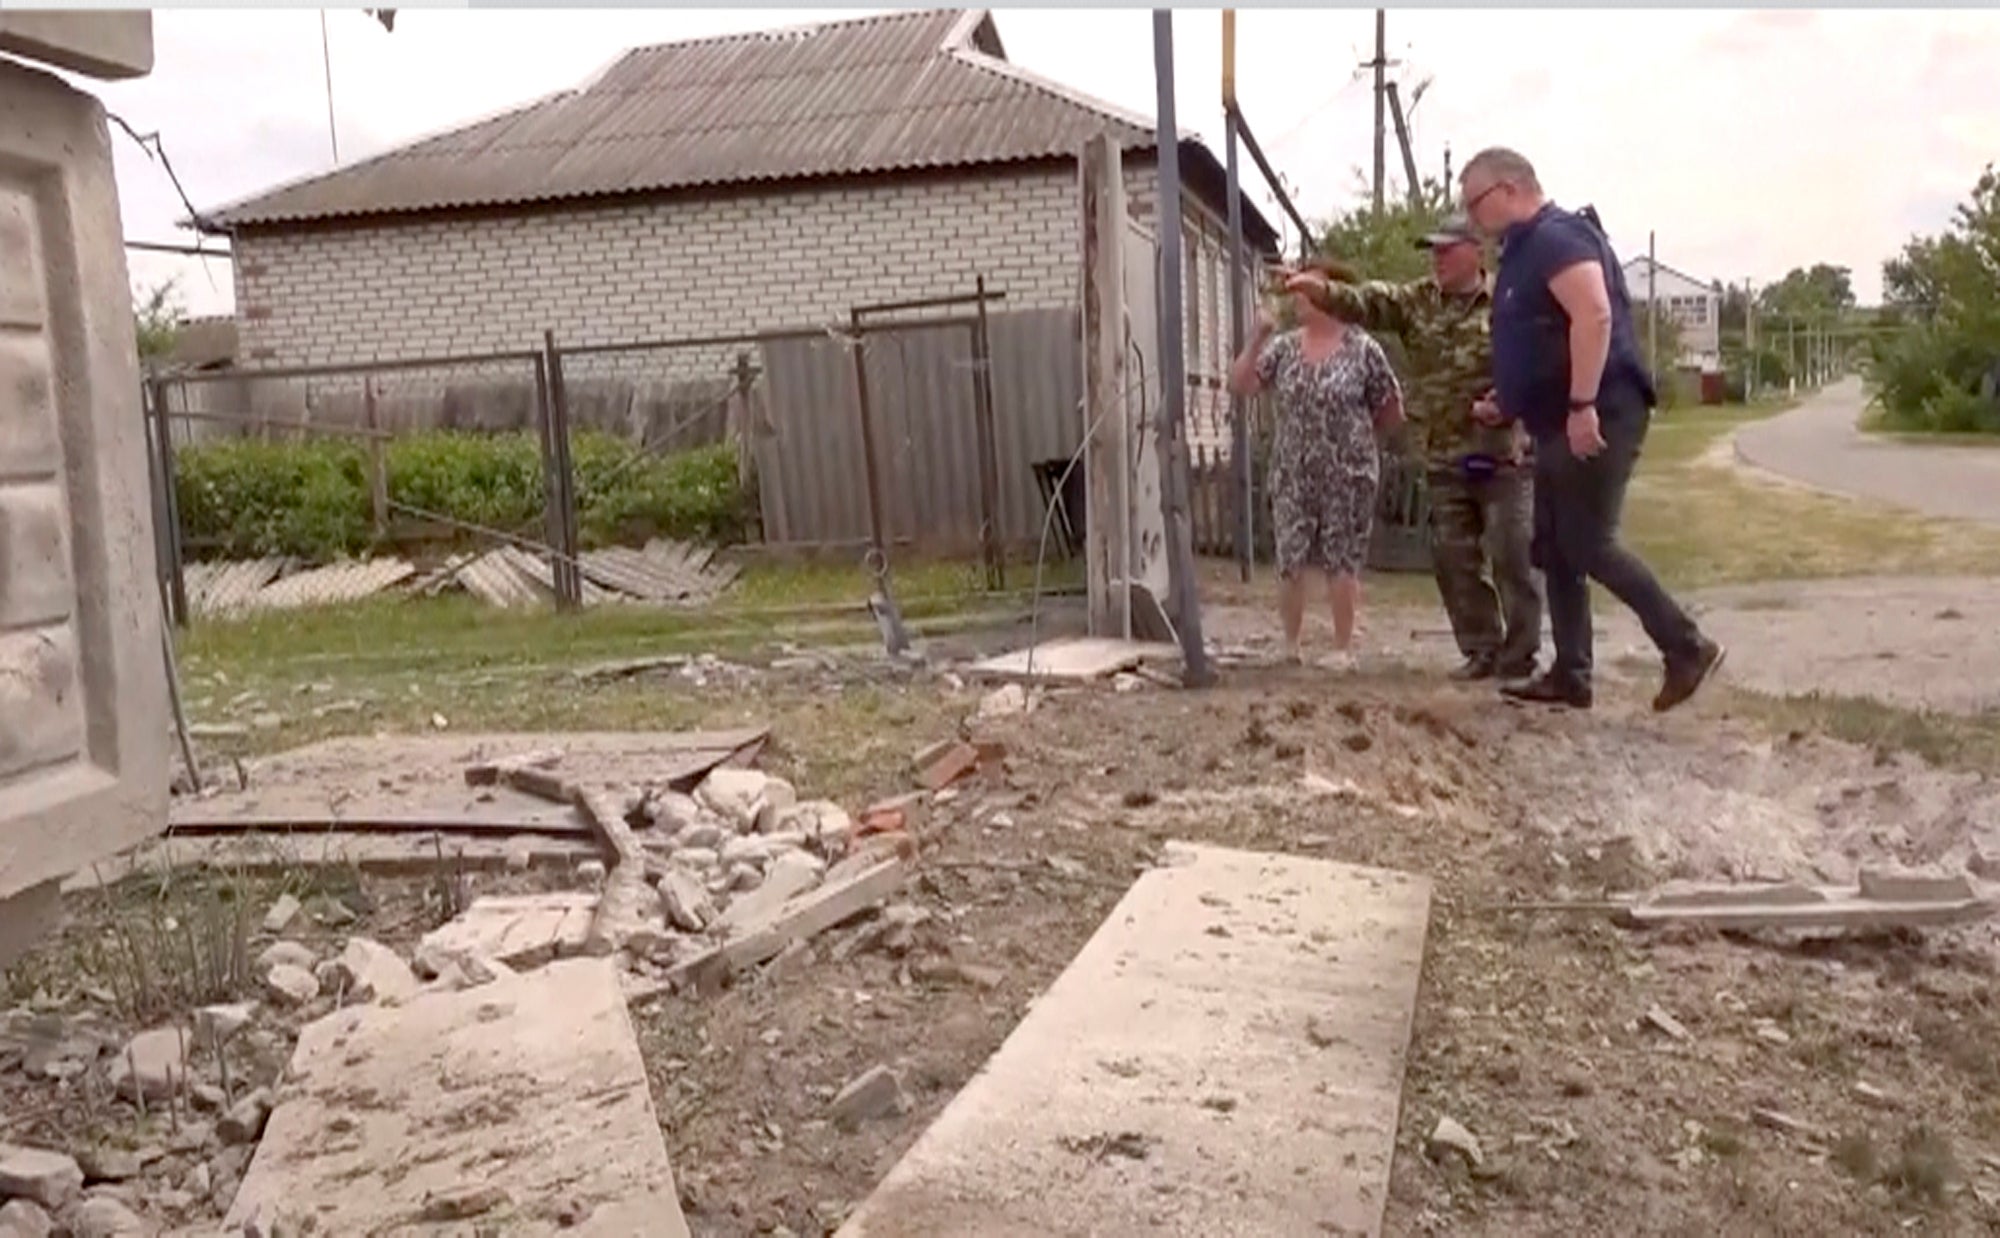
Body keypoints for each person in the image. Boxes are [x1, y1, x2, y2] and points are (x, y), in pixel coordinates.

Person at [1457, 146, 1725, 711]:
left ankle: (1686, 646)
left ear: (1508, 190)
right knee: (1554, 548)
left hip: (1601, 410)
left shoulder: (1559, 237)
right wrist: (1510, 400)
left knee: (1588, 543)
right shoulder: (1523, 251)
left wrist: (1582, 406)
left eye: (1474, 202)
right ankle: (1571, 674)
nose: (1470, 217)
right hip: (1557, 418)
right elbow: (1545, 338)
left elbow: (1594, 314)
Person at [1286, 214, 1542, 683]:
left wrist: (1512, 403)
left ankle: (1520, 654)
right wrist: (1317, 289)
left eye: (1446, 250)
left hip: (1506, 453)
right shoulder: (1416, 302)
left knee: (1512, 551)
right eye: (1432, 251)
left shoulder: (1510, 302)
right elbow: (1365, 301)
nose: (1437, 259)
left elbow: (1542, 362)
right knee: (1453, 557)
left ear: (1476, 251)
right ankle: (1481, 649)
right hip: (1445, 455)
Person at [1228, 258, 1405, 671]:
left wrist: (1355, 440)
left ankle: (1343, 648)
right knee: (1290, 555)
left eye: (1308, 290)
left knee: (1342, 558)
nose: (1298, 298)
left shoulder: (1363, 349)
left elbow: (1392, 410)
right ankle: (1291, 644)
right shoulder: (1285, 347)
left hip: (1349, 472)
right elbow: (1241, 384)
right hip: (1292, 469)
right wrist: (1257, 337)